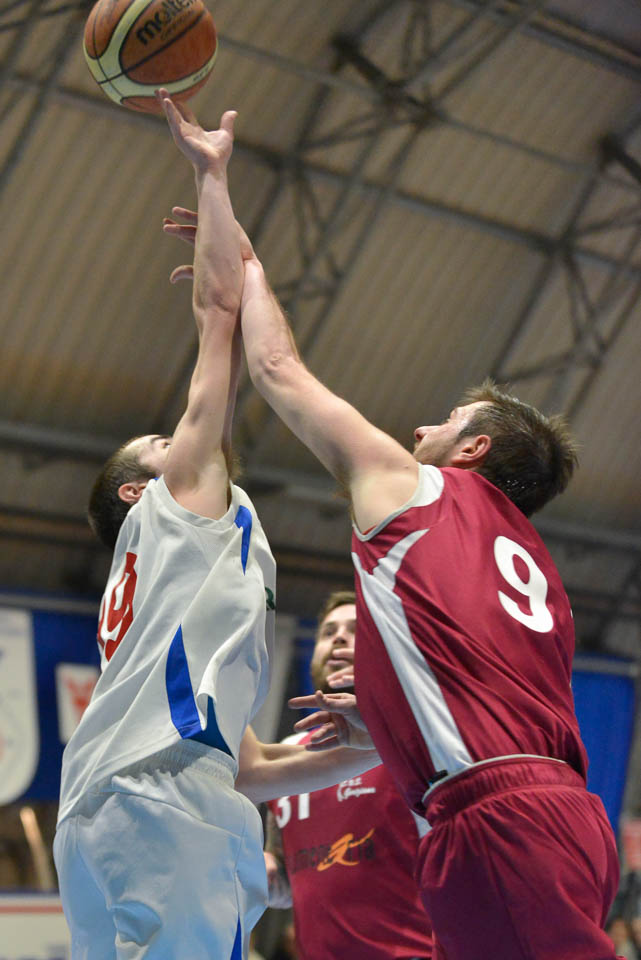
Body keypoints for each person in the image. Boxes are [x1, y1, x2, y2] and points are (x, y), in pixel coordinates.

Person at [229, 126, 623, 959]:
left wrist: (246, 262)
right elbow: (480, 700)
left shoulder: (420, 495)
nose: (418, 430)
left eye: (444, 421)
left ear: (473, 449)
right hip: (561, 816)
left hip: (496, 817)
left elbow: (277, 371)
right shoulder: (536, 574)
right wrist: (385, 724)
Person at [53, 92, 378, 960]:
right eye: (162, 444)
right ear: (138, 492)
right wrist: (213, 177)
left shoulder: (158, 591)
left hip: (99, 812)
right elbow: (218, 319)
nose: (184, 441)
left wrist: (380, 748)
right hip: (166, 804)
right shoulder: (178, 506)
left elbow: (250, 766)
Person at [264, 590, 433, 960]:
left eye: (356, 630)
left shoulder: (416, 737)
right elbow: (290, 884)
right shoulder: (286, 754)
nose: (339, 638)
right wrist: (264, 873)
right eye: (328, 632)